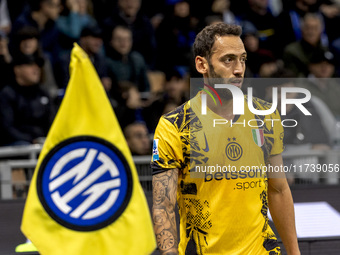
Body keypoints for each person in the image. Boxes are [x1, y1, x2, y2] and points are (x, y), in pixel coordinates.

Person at [151, 23, 300, 254]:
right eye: (228, 60)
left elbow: (279, 190)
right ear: (202, 64)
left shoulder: (266, 116)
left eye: (242, 59)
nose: (239, 69)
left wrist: (294, 251)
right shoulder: (174, 126)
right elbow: (164, 205)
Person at [0, 54, 54, 146]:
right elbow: (6, 127)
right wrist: (31, 140)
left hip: (42, 142)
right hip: (17, 144)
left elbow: (52, 122)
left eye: (37, 66)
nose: (36, 69)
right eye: (30, 65)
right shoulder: (7, 94)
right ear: (17, 70)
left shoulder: (43, 93)